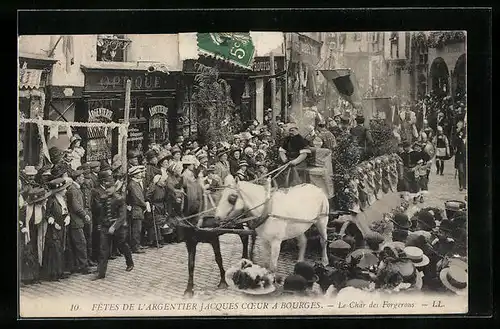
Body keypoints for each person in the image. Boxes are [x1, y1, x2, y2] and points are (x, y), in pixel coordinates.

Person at [91, 174, 134, 280]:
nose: (108, 190)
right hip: (106, 227)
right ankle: (101, 273)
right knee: (103, 249)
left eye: (110, 187)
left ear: (115, 187)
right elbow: (102, 214)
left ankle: (130, 262)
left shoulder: (119, 199)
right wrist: (101, 225)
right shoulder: (103, 198)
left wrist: (114, 227)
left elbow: (122, 216)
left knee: (122, 245)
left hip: (118, 227)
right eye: (106, 188)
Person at [42, 177, 72, 281]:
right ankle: (53, 273)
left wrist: (67, 216)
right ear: (59, 191)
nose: (65, 191)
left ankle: (60, 271)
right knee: (55, 250)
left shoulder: (63, 199)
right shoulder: (52, 200)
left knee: (61, 248)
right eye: (64, 189)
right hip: (54, 228)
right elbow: (47, 214)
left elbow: (65, 210)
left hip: (62, 226)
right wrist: (53, 222)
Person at [66, 169, 92, 274]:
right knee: (80, 243)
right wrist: (84, 214)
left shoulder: (76, 189)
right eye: (81, 177)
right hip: (76, 221)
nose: (83, 178)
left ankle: (80, 265)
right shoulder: (73, 190)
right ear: (77, 178)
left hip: (78, 221)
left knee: (80, 242)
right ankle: (83, 266)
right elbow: (76, 207)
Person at [278, 122, 311, 187]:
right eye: (289, 130)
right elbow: (281, 151)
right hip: (288, 161)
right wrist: (285, 160)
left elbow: (304, 155)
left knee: (294, 171)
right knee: (280, 169)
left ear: (297, 130)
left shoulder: (302, 140)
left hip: (299, 162)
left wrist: (294, 162)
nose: (291, 132)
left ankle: (295, 187)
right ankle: (283, 187)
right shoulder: (287, 139)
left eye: (292, 130)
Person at [126, 166, 150, 254]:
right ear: (134, 175)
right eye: (139, 173)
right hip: (136, 209)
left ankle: (137, 244)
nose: (140, 174)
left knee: (138, 228)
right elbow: (137, 198)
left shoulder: (136, 183)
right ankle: (135, 247)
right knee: (136, 228)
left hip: (138, 208)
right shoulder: (133, 184)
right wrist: (145, 204)